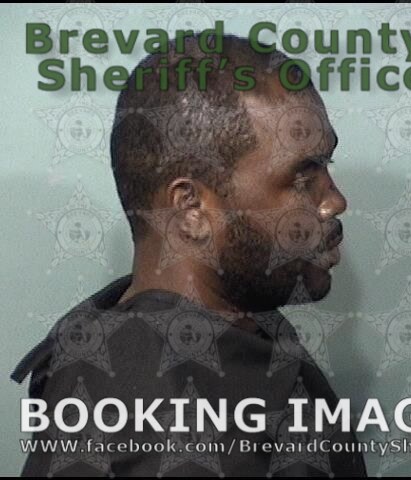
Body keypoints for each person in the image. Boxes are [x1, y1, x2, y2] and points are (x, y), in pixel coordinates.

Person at [11, 34, 367, 477]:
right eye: (302, 176)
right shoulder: (154, 425)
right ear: (192, 209)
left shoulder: (235, 327)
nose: (334, 201)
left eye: (326, 165)